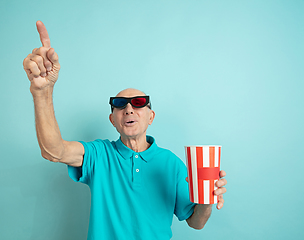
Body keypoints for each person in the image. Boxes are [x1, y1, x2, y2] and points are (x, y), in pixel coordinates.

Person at [23, 21, 227, 240]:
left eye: (139, 102)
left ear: (151, 116)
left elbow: (195, 223)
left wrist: (207, 202)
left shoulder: (171, 163)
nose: (129, 108)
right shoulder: (99, 155)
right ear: (113, 119)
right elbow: (54, 151)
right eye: (120, 104)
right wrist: (42, 92)